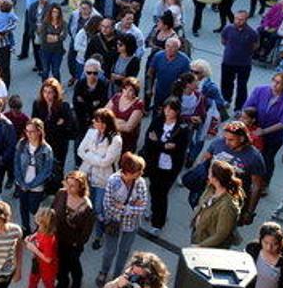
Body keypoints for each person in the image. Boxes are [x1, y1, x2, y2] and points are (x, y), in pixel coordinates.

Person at [96, 153, 149, 287]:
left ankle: (118, 276)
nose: (141, 174)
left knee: (124, 251)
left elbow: (142, 208)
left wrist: (123, 207)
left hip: (131, 225)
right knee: (110, 251)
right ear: (128, 172)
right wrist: (133, 206)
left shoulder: (140, 182)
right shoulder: (113, 181)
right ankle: (104, 271)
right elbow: (108, 206)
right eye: (138, 171)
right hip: (114, 224)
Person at [142, 98, 190, 234]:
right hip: (154, 164)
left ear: (177, 111)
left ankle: (158, 223)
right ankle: (154, 212)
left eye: (171, 109)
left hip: (170, 167)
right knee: (153, 189)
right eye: (166, 108)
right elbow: (148, 142)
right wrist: (164, 146)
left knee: (161, 194)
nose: (167, 112)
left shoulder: (182, 128)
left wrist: (158, 144)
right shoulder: (158, 121)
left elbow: (179, 148)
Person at [78, 108, 123, 246]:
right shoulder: (91, 132)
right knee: (86, 206)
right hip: (87, 176)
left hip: (103, 180)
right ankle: (87, 229)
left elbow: (105, 163)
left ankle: (99, 234)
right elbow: (80, 150)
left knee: (99, 208)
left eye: (103, 122)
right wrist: (96, 157)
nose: (100, 125)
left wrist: (89, 155)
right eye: (97, 122)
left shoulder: (116, 140)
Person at [243, 73, 283, 185]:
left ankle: (264, 183)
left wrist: (263, 131)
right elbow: (247, 106)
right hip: (253, 133)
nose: (275, 84)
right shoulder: (260, 90)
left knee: (267, 160)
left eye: (278, 83)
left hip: (272, 137)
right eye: (274, 81)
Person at [53, 171, 95, 288]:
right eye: (67, 184)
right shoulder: (61, 193)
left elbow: (86, 232)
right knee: (61, 264)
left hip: (73, 244)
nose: (68, 188)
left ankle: (77, 281)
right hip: (58, 238)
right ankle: (63, 282)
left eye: (72, 186)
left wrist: (77, 245)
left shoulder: (87, 207)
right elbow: (52, 212)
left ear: (81, 187)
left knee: (72, 263)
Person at [191, 159, 243, 248]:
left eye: (209, 173)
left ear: (215, 178)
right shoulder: (210, 189)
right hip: (199, 235)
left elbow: (221, 235)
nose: (208, 175)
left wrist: (200, 246)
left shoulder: (227, 206)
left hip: (209, 248)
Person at [14, 118, 53, 234]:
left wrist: (31, 185)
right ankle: (25, 227)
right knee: (23, 207)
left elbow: (46, 171)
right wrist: (21, 182)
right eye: (27, 131)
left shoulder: (46, 149)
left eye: (32, 131)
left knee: (34, 207)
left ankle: (38, 227)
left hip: (36, 186)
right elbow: (16, 163)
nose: (29, 134)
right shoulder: (22, 144)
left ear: (39, 131)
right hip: (22, 183)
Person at [220, 10, 258, 110]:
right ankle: (226, 99)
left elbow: (255, 46)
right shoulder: (228, 28)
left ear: (246, 20)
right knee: (226, 83)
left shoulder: (252, 33)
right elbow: (223, 41)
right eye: (236, 18)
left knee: (242, 86)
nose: (238, 21)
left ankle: (239, 107)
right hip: (228, 61)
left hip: (244, 64)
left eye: (241, 19)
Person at [245, 222, 283, 288]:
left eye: (274, 244)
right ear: (260, 239)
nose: (269, 248)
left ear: (281, 243)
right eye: (266, 242)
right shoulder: (252, 248)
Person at [24, 207, 58, 288]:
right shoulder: (42, 229)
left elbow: (48, 259)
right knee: (32, 282)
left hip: (47, 269)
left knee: (48, 284)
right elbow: (38, 232)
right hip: (37, 263)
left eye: (38, 220)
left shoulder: (49, 240)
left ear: (44, 223)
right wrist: (32, 236)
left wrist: (34, 249)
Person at [102, 252, 169, 288]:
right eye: (133, 271)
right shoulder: (128, 276)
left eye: (139, 276)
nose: (133, 277)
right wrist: (116, 284)